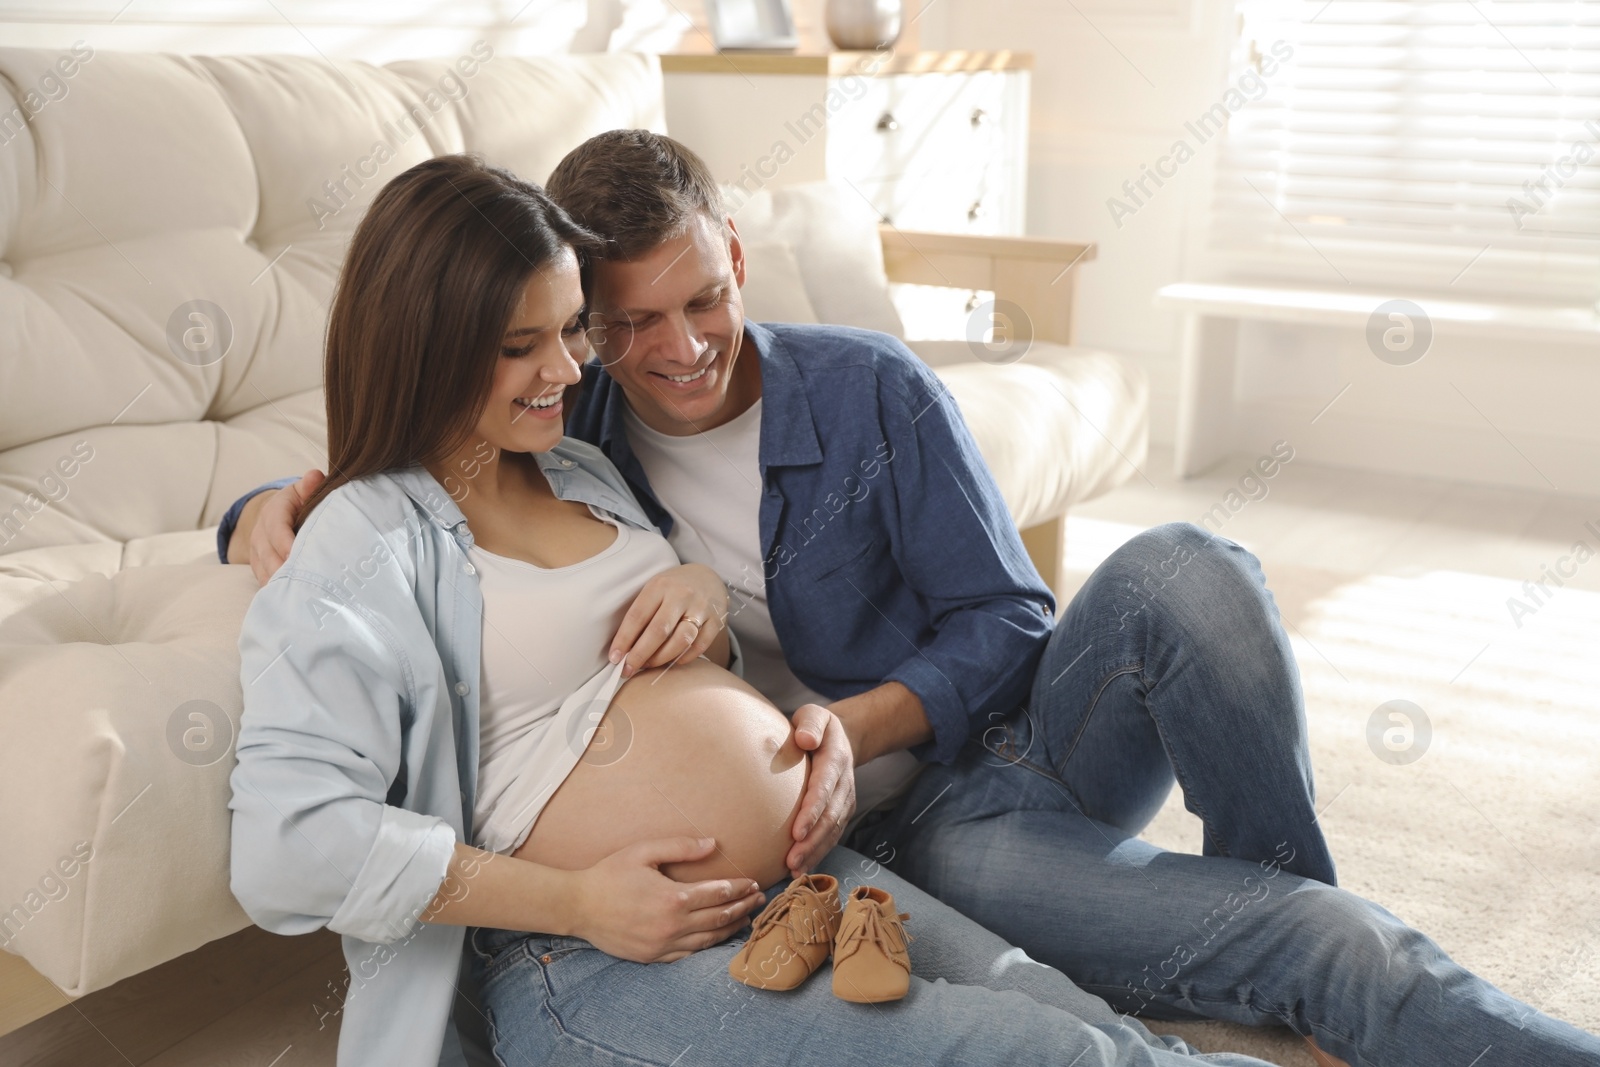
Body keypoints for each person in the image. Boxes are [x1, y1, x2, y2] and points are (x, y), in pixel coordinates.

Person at [224, 135, 1600, 1067]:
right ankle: (1260, 967)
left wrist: (784, 670)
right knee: (1052, 1046)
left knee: (1201, 651)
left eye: (687, 303)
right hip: (695, 908)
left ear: (740, 259)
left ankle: (1271, 938)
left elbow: (1011, 623)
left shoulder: (803, 403)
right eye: (611, 325)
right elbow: (401, 464)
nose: (662, 349)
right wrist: (256, 509)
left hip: (921, 800)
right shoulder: (525, 442)